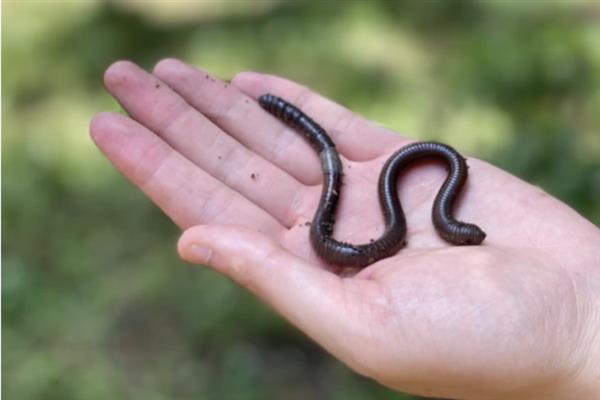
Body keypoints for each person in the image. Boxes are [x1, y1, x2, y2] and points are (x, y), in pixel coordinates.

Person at [90, 59, 600, 400]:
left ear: (455, 229)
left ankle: (298, 124)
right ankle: (291, 117)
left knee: (341, 180)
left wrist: (582, 321)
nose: (466, 233)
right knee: (330, 171)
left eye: (461, 231)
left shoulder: (432, 208)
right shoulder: (402, 223)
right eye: (463, 232)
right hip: (338, 208)